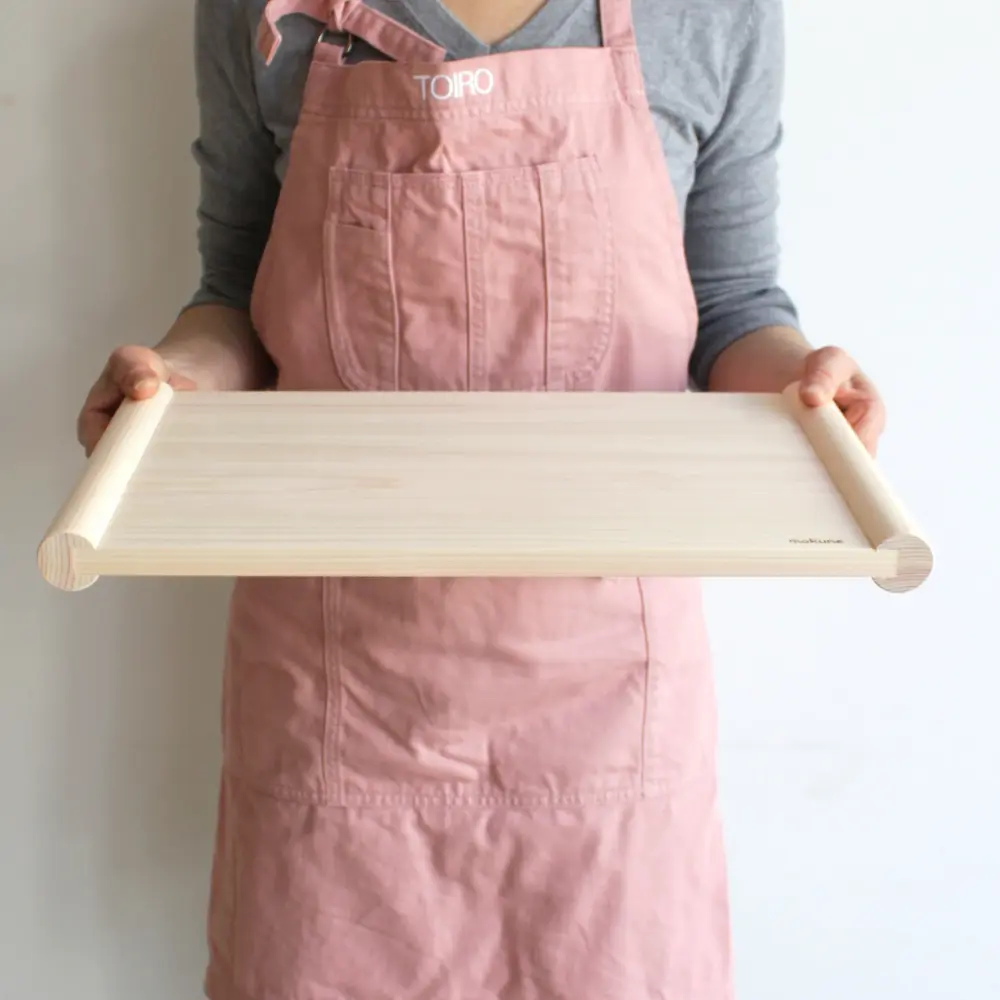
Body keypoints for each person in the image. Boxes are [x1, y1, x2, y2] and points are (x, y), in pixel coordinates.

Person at [76, 1, 887, 998]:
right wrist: (175, 381)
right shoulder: (255, 10)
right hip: (340, 682)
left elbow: (733, 307)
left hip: (611, 693)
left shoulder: (713, 16)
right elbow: (235, 298)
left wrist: (805, 382)